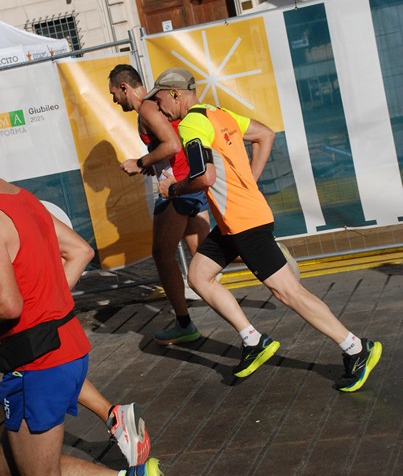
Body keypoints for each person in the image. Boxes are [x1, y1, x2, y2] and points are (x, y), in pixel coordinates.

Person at [145, 67, 382, 392]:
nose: (158, 109)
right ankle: (252, 339)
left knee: (288, 292)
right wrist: (250, 182)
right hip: (234, 221)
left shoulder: (191, 124)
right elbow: (265, 134)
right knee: (199, 276)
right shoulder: (219, 113)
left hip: (243, 222)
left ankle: (356, 348)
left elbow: (205, 177)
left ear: (174, 94)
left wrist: (172, 189)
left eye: (159, 101)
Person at [0, 179, 163, 476]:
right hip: (65, 347)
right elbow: (80, 251)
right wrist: (47, 305)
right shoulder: (22, 197)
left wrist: (38, 311)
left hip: (35, 364)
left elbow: (8, 305)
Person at [108, 64, 211, 345]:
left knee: (162, 255)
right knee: (206, 258)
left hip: (176, 189)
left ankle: (184, 323)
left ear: (125, 87)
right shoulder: (156, 105)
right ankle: (269, 251)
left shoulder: (146, 108)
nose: (115, 101)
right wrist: (151, 165)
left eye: (114, 93)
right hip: (189, 183)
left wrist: (140, 163)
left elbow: (173, 145)